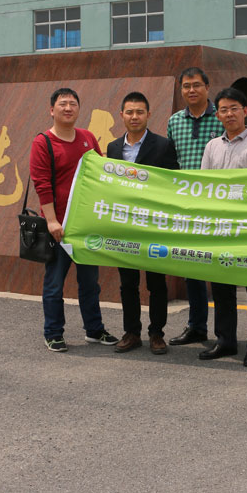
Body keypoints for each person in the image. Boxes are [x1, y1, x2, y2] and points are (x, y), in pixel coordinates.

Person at [29, 88, 118, 352]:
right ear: (51, 110)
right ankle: (53, 333)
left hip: (86, 225)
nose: (68, 108)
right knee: (54, 284)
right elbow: (42, 184)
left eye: (73, 104)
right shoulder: (43, 142)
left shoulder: (88, 137)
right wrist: (52, 221)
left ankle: (94, 330)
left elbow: (101, 173)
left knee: (90, 283)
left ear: (79, 109)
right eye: (62, 104)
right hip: (59, 227)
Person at [198, 87, 247, 366]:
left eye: (234, 108)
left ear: (245, 111)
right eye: (223, 109)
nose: (229, 114)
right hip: (220, 228)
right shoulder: (212, 146)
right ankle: (225, 340)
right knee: (222, 289)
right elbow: (205, 186)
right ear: (217, 115)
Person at [106, 92, 180, 355]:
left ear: (148, 114)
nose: (134, 116)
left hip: (153, 225)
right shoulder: (113, 148)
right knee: (128, 283)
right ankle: (131, 332)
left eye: (139, 112)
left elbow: (172, 183)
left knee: (156, 283)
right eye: (129, 112)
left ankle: (156, 333)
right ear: (122, 115)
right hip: (124, 225)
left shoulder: (163, 145)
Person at [166, 67, 224, 346]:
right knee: (192, 268)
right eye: (186, 86)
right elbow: (170, 162)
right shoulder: (174, 121)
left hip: (219, 205)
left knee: (221, 269)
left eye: (196, 85)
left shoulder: (221, 116)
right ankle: (197, 326)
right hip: (187, 206)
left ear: (207, 87)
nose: (191, 90)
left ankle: (225, 333)